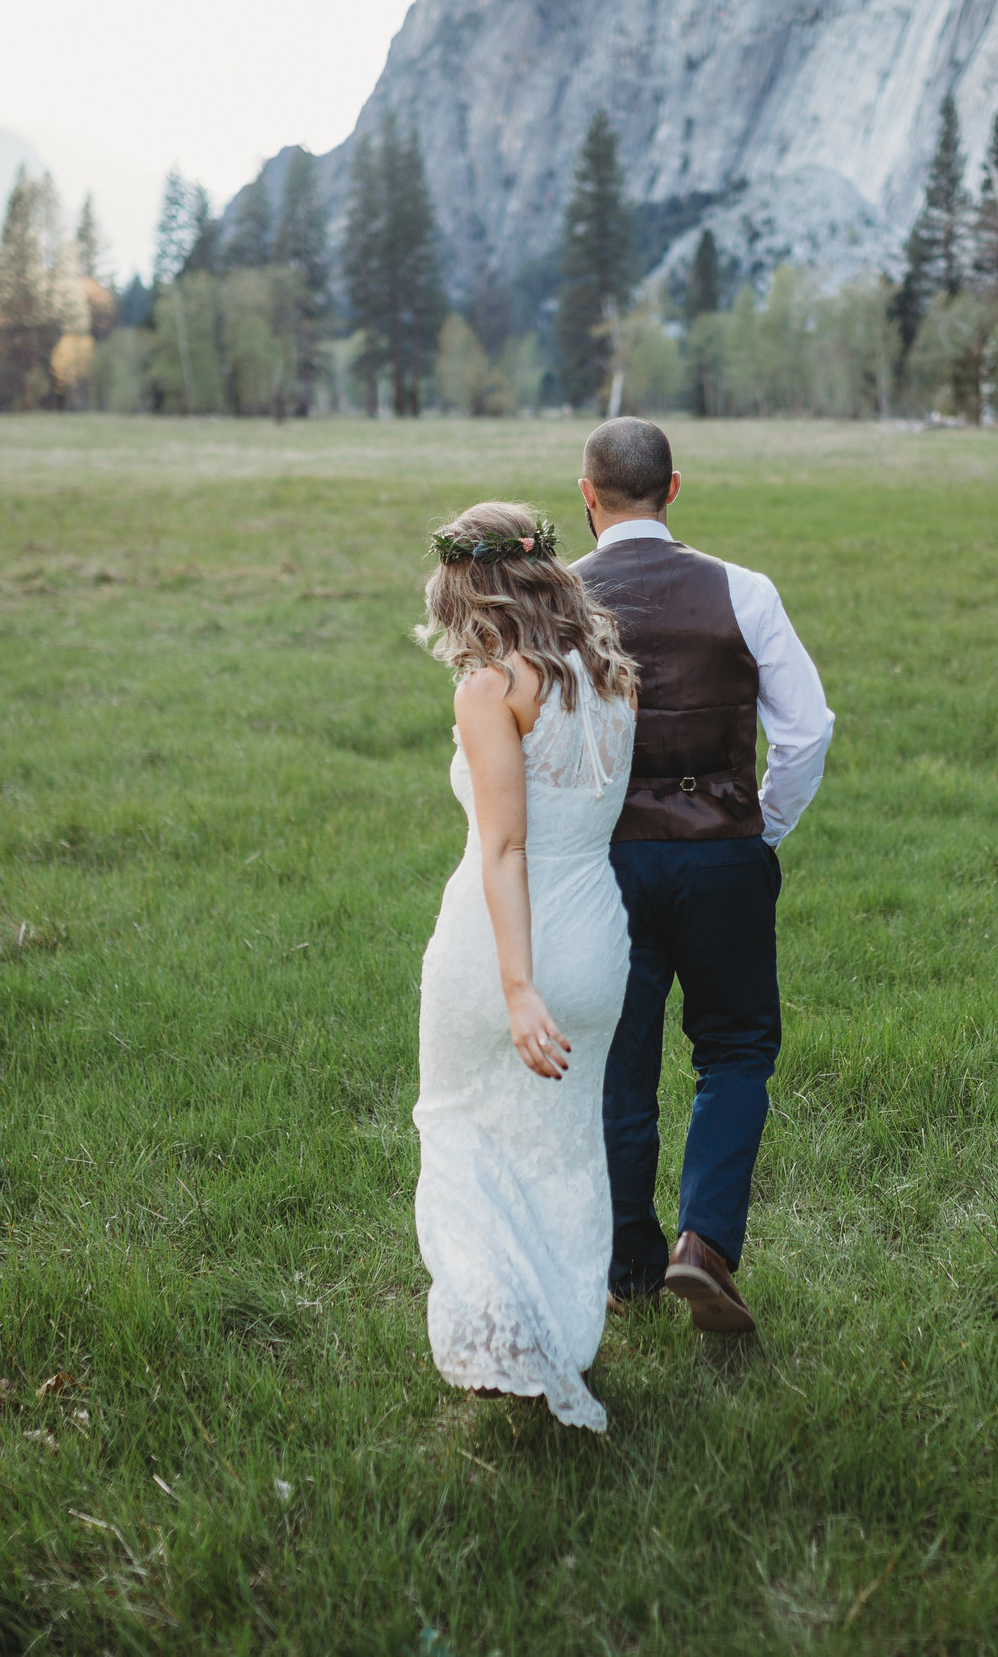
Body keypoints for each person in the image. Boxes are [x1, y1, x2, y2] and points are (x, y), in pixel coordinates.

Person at [576, 419, 834, 1333]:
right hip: (723, 851)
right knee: (734, 1048)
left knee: (621, 1067)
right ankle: (706, 1245)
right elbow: (808, 731)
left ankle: (632, 1264)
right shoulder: (743, 589)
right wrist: (762, 827)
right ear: (674, 489)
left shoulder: (560, 599)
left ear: (588, 495)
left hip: (607, 861)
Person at [411, 501, 638, 1431]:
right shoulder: (611, 674)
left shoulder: (491, 686)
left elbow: (505, 845)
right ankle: (556, 1333)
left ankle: (501, 1342)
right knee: (564, 1145)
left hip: (508, 942)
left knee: (463, 1129)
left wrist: (515, 986)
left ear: (468, 586)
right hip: (599, 939)